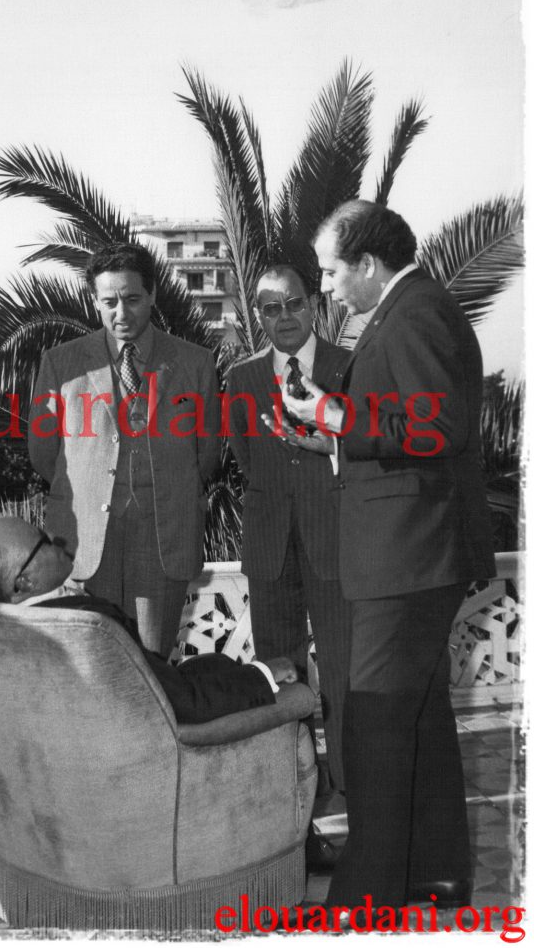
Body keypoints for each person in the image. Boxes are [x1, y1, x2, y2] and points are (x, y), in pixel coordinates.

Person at [281, 200, 496, 909]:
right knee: (419, 719)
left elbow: (441, 426)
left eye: (334, 270)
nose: (329, 285)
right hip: (410, 553)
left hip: (409, 557)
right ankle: (434, 872)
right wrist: (332, 435)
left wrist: (338, 415)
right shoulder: (409, 311)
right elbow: (409, 429)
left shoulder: (418, 313)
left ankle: (363, 900)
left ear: (370, 264)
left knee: (373, 723)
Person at [28, 241, 220, 657]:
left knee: (152, 669)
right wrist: (92, 487)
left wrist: (165, 490)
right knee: (91, 666)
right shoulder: (62, 364)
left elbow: (207, 454)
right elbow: (43, 453)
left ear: (151, 295)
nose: (121, 312)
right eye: (109, 301)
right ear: (95, 301)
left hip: (162, 538)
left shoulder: (195, 363)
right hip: (85, 542)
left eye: (132, 299)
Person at [0, 516, 301, 725]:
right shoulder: (87, 628)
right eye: (43, 542)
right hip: (158, 750)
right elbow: (182, 704)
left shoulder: (6, 631)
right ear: (23, 583)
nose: (57, 541)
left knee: (215, 662)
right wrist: (265, 674)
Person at [226, 264, 351, 793]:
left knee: (344, 671)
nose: (284, 318)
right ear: (258, 315)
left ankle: (349, 779)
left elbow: (362, 445)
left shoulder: (350, 366)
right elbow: (244, 454)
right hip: (269, 542)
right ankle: (298, 781)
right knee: (280, 671)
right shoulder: (243, 378)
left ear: (314, 305)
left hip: (337, 542)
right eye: (271, 308)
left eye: (294, 304)